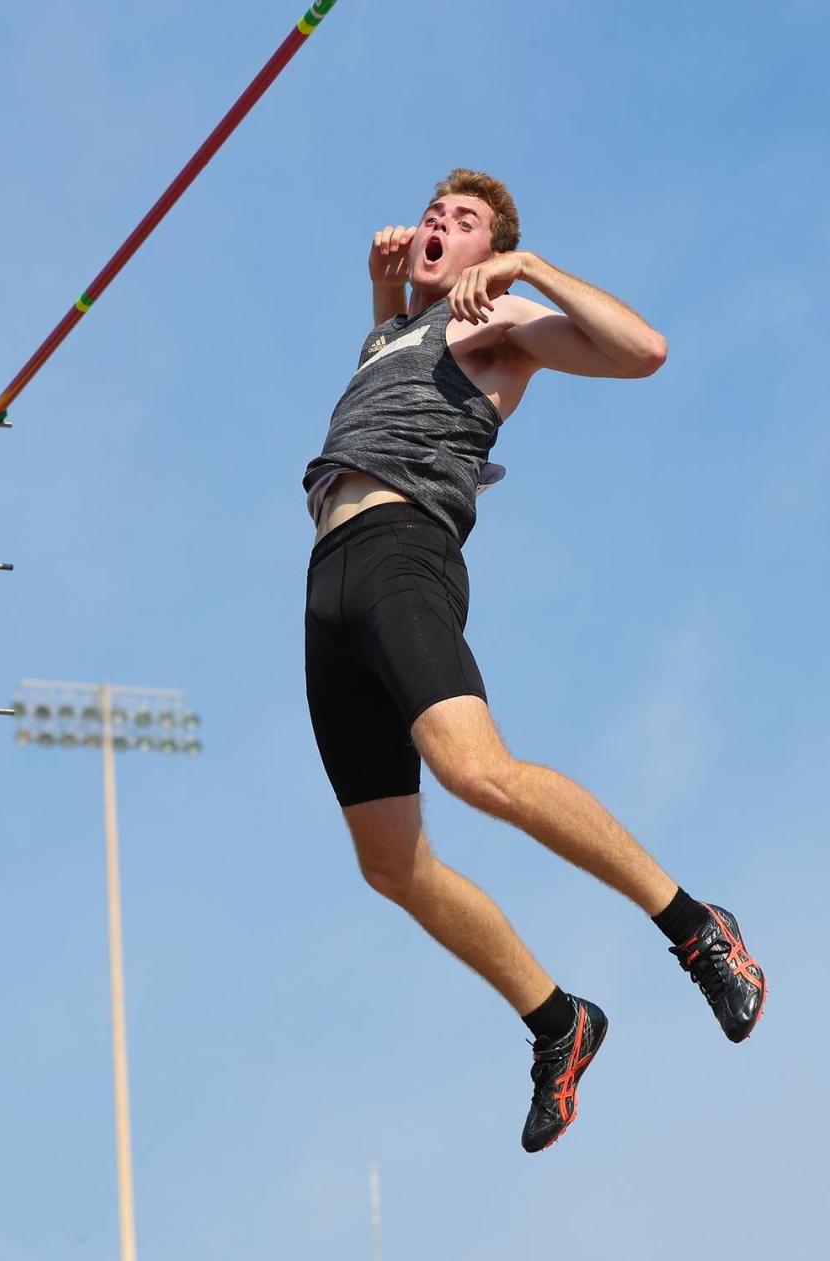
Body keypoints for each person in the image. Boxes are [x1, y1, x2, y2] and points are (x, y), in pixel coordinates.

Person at [302, 169, 765, 1153]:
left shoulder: (503, 321)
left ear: (489, 252)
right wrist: (385, 289)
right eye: (433, 212)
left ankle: (695, 924)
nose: (438, 223)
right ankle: (560, 1023)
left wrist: (530, 265)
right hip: (327, 583)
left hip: (400, 556)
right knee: (391, 863)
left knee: (477, 770)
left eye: (462, 221)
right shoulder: (395, 334)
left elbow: (645, 350)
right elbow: (386, 369)